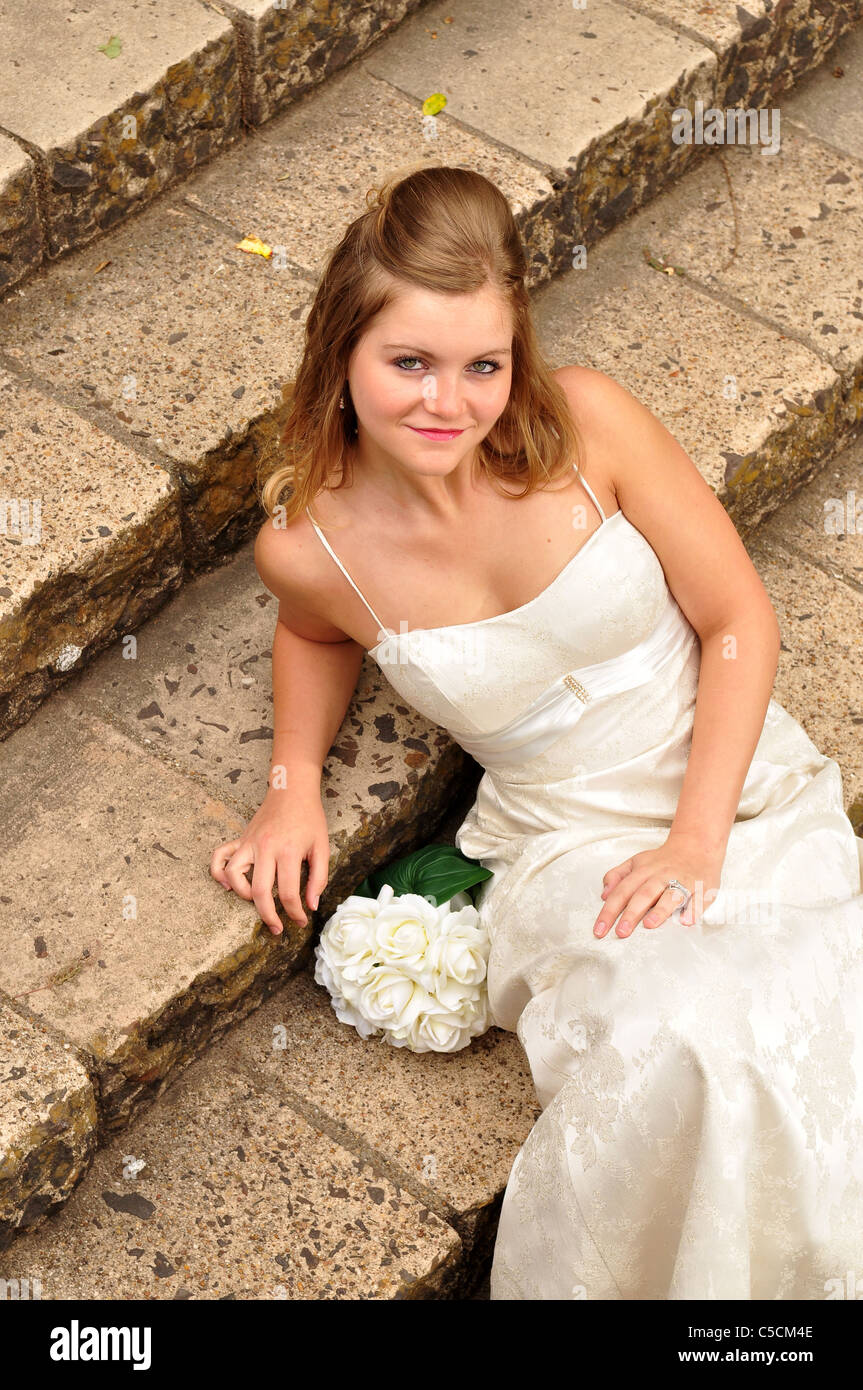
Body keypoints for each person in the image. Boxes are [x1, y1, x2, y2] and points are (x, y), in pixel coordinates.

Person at [210, 164, 863, 1300]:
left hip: (729, 782)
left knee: (810, 996)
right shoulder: (311, 546)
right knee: (689, 1036)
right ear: (341, 355)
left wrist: (696, 839)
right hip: (564, 840)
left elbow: (734, 619)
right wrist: (290, 783)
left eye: (482, 365)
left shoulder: (591, 428)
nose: (445, 403)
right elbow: (314, 637)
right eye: (407, 362)